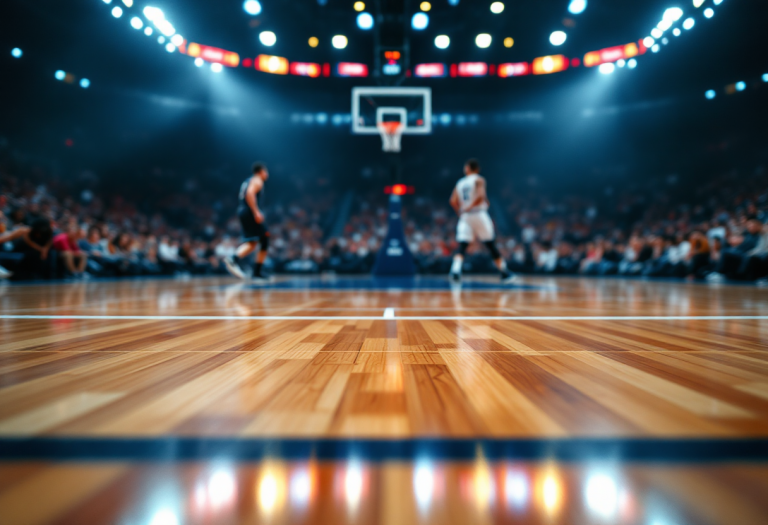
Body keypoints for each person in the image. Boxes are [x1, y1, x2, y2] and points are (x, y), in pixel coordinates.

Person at [449, 158, 516, 283]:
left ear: (467, 168)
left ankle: (455, 271)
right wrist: (470, 206)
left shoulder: (460, 182)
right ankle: (504, 272)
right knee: (490, 244)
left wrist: (460, 211)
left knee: (463, 245)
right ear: (477, 169)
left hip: (465, 216)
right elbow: (481, 196)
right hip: (478, 213)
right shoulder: (479, 179)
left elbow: (452, 200)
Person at [224, 162, 271, 281]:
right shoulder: (257, 180)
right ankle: (255, 272)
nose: (267, 174)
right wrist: (256, 212)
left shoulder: (247, 180)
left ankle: (234, 259)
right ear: (261, 171)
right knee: (265, 239)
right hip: (249, 211)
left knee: (253, 241)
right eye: (266, 171)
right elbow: (250, 193)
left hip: (243, 210)